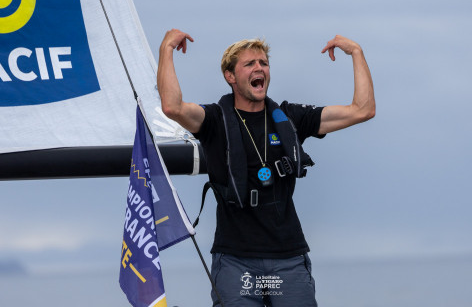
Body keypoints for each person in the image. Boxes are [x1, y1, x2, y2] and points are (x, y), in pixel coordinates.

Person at [157, 29, 375, 307]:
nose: (259, 68)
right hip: (235, 261)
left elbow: (363, 110)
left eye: (264, 63)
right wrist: (166, 48)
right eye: (250, 64)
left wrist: (357, 52)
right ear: (230, 76)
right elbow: (172, 107)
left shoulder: (290, 117)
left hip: (289, 259)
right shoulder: (214, 120)